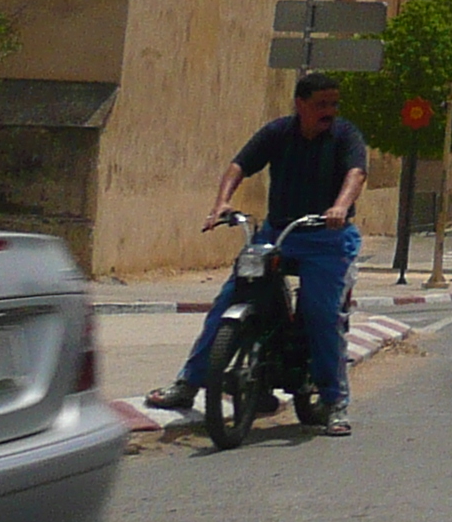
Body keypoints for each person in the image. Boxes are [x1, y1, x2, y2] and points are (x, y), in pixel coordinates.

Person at [143, 71, 370, 435]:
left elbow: (355, 174)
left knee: (321, 312)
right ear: (300, 105)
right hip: (279, 232)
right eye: (321, 104)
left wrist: (340, 207)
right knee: (230, 296)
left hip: (327, 239)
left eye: (333, 104)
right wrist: (221, 204)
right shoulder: (278, 133)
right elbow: (239, 166)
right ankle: (189, 384)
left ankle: (333, 401)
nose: (329, 111)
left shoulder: (345, 136)